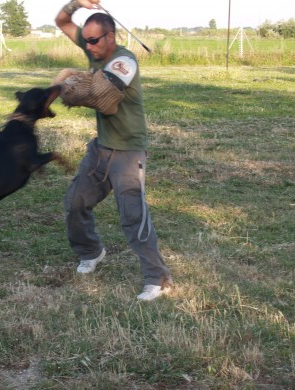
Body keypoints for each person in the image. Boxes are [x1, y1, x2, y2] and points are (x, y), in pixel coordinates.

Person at [55, 0, 173, 301]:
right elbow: (62, 20)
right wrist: (77, 4)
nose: (89, 45)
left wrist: (67, 86)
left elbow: (101, 95)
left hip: (128, 153)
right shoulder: (93, 46)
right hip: (101, 149)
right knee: (75, 202)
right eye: (87, 40)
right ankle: (92, 252)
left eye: (94, 40)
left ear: (111, 37)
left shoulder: (125, 61)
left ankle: (157, 279)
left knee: (134, 217)